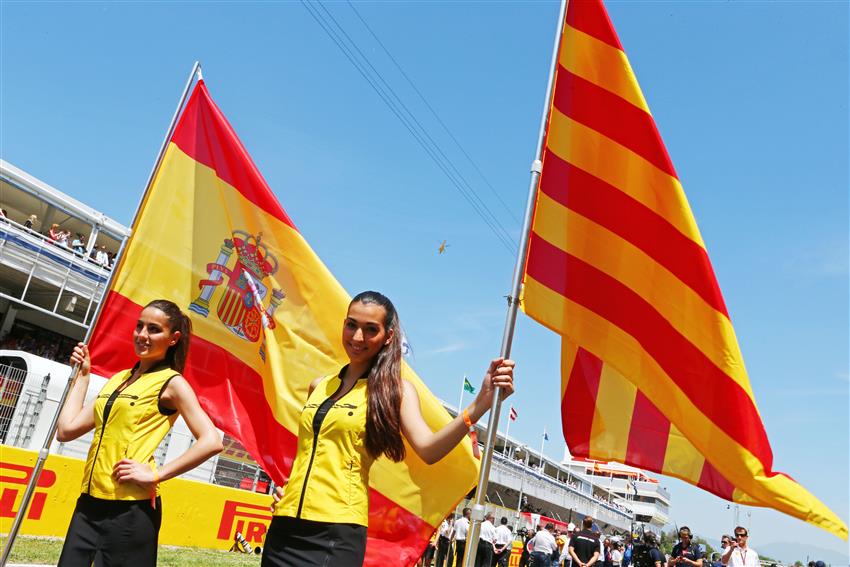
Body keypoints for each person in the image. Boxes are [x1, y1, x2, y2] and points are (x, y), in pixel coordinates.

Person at [263, 290, 516, 567]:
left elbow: (429, 450)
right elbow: (309, 453)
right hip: (284, 526)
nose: (357, 337)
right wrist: (289, 487)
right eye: (351, 325)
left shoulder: (394, 391)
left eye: (370, 329)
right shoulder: (319, 386)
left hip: (336, 532)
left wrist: (479, 404)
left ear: (388, 336)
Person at [54, 299, 223, 566]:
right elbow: (66, 430)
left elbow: (212, 441)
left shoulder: (172, 383)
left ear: (173, 338)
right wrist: (83, 377)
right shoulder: (118, 380)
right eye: (139, 326)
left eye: (154, 329)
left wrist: (156, 474)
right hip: (87, 506)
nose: (142, 335)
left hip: (131, 512)